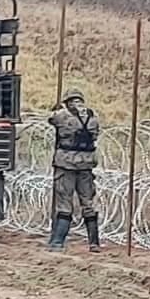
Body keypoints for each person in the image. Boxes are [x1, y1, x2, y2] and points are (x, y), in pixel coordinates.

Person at [45, 86, 101, 251]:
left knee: (64, 202)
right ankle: (94, 242)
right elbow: (95, 135)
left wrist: (57, 110)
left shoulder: (63, 116)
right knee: (88, 202)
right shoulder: (93, 117)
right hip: (87, 165)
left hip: (66, 164)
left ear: (68, 102)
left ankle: (57, 241)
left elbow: (51, 120)